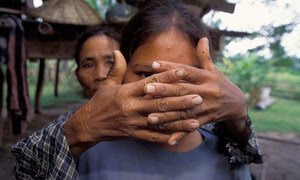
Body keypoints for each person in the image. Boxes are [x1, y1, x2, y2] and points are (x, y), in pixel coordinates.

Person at [12, 1, 262, 179]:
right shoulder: (80, 148)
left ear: (211, 78)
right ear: (121, 72)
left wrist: (238, 113)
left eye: (184, 75)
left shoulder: (229, 154)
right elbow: (26, 166)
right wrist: (78, 132)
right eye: (145, 74)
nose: (163, 90)